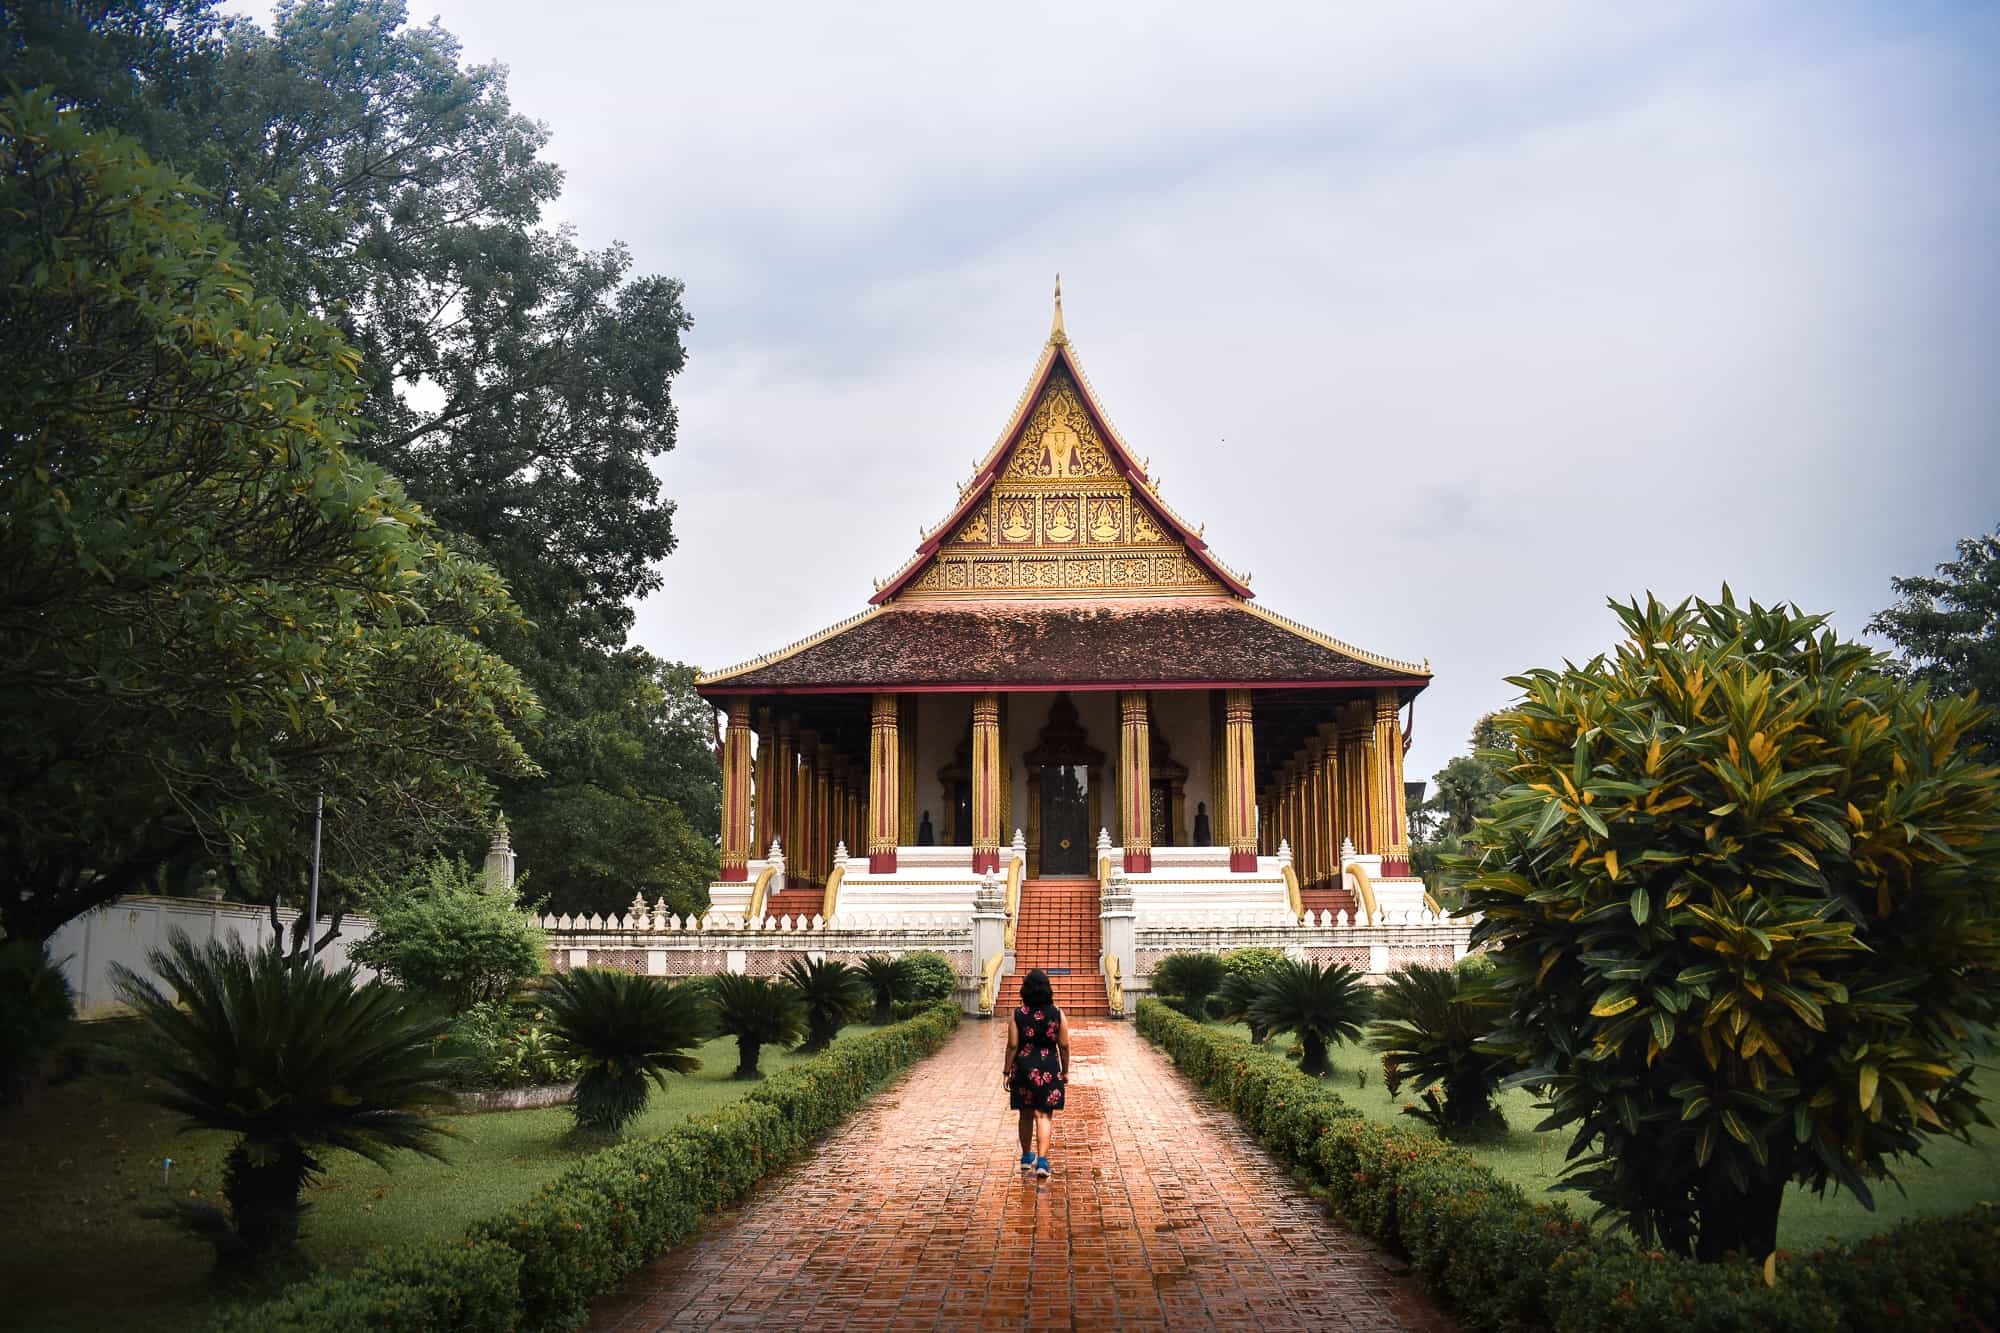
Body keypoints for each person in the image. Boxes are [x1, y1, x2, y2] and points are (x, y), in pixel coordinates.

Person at [1003, 968, 1069, 1178]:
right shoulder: (1057, 1013)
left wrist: (1006, 1071)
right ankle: (1042, 1162)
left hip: (1023, 1067)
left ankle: (1025, 1158)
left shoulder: (1017, 1014)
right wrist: (1065, 1071)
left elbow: (1012, 1045)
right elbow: (1064, 1045)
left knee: (1025, 1114)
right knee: (1043, 1115)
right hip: (1048, 1066)